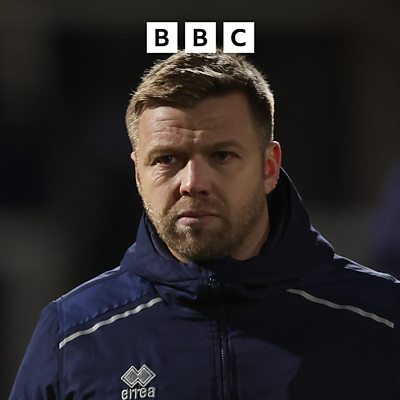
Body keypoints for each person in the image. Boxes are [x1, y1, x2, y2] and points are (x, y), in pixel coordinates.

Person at [10, 51, 400, 400]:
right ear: (138, 175)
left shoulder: (382, 320)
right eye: (167, 159)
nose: (194, 182)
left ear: (269, 167)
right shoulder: (73, 335)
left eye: (222, 155)